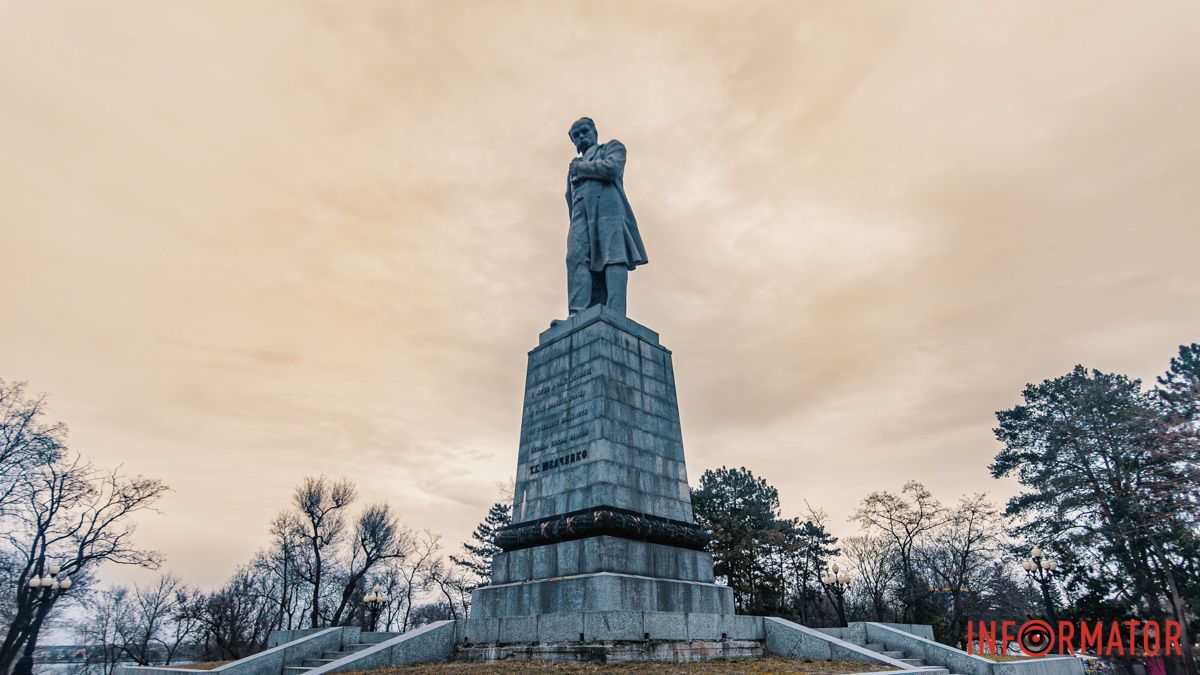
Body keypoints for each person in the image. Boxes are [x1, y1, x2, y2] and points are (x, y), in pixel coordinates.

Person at [561, 117, 647, 320]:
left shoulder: (612, 148)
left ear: (594, 132)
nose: (581, 137)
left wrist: (581, 169)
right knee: (576, 258)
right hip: (581, 217)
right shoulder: (574, 166)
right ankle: (577, 314)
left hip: (608, 210)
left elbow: (612, 169)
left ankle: (615, 313)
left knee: (613, 257)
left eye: (584, 131)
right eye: (576, 135)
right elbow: (569, 197)